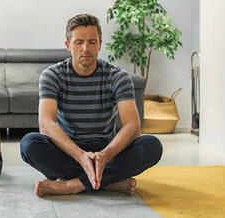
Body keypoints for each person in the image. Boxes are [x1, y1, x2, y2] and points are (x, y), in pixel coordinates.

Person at [20, 14, 163, 197]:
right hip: (68, 148)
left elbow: (132, 126)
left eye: (92, 42)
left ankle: (74, 185)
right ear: (68, 46)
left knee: (152, 145)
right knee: (29, 144)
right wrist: (80, 155)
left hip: (106, 148)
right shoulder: (52, 75)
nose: (85, 48)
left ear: (100, 44)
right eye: (79, 42)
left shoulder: (117, 77)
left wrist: (105, 155)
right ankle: (109, 182)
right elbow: (46, 124)